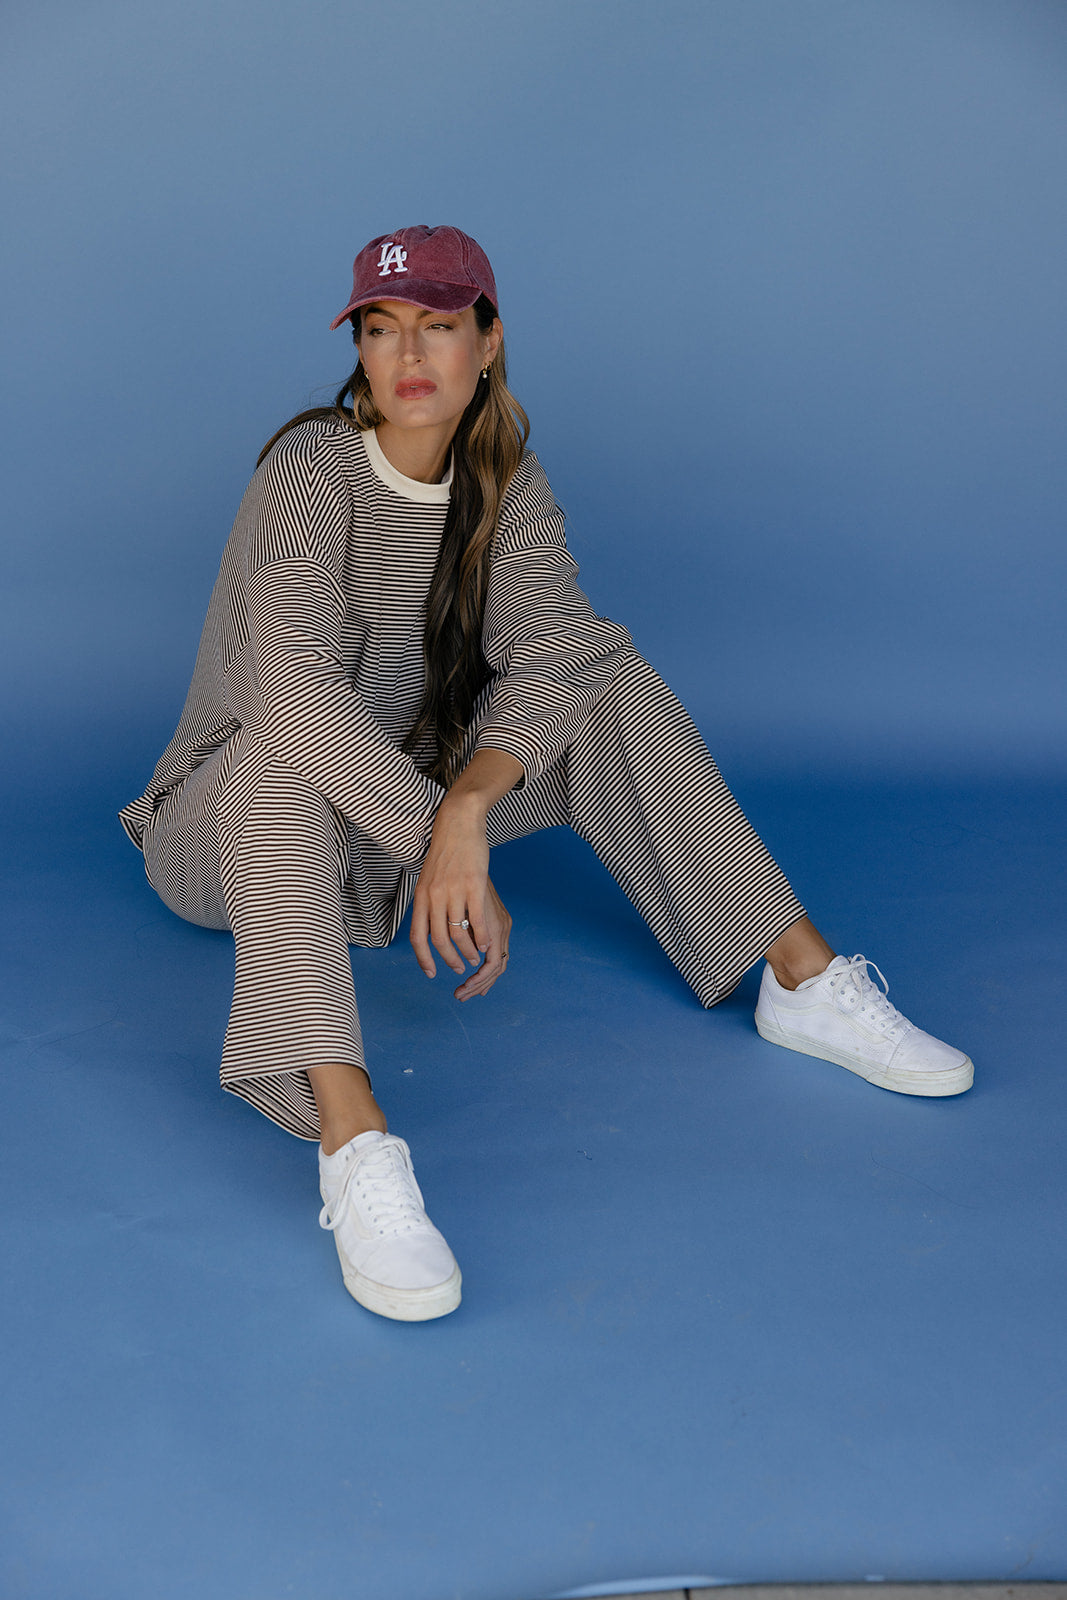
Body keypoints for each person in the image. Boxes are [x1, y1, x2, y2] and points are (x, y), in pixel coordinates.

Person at [119, 225, 973, 1323]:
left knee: (608, 682)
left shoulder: (504, 483)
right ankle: (355, 1142)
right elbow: (287, 696)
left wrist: (471, 804)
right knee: (285, 766)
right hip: (229, 828)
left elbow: (560, 650)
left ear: (488, 339)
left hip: (395, 816)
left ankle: (800, 980)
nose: (407, 354)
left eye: (436, 325)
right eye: (381, 330)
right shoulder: (309, 470)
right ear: (360, 349)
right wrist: (439, 836)